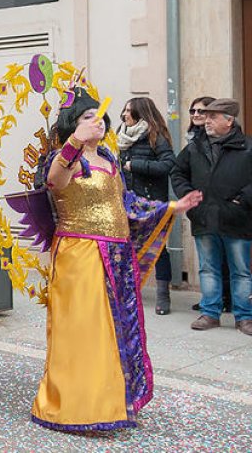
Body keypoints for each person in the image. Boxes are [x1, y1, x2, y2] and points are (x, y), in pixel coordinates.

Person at [32, 88, 200, 431]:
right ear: (72, 125)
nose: (95, 121)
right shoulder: (64, 158)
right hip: (79, 254)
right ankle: (72, 405)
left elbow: (128, 204)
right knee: (82, 328)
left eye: (97, 116)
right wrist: (74, 143)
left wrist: (171, 207)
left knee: (113, 329)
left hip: (116, 255)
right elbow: (54, 182)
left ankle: (109, 402)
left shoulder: (109, 158)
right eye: (86, 117)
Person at [170, 98, 252, 336]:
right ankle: (210, 313)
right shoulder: (195, 147)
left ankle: (245, 317)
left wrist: (244, 199)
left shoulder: (246, 147)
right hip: (204, 218)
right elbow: (177, 172)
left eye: (213, 117)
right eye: (206, 116)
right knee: (208, 269)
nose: (206, 121)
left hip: (237, 219)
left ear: (229, 120)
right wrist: (189, 198)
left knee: (241, 271)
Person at [117, 97, 176, 314]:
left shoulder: (155, 136)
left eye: (129, 111)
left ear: (142, 114)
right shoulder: (120, 135)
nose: (124, 115)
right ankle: (129, 290)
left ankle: (163, 295)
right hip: (127, 200)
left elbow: (169, 164)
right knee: (127, 245)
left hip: (150, 200)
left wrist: (136, 165)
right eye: (124, 110)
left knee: (158, 247)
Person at [183, 97, 233, 314]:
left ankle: (229, 300)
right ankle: (212, 304)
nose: (196, 115)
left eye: (201, 111)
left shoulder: (228, 141)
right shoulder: (193, 143)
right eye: (192, 110)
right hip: (203, 211)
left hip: (229, 211)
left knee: (229, 261)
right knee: (209, 263)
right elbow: (178, 171)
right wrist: (188, 196)